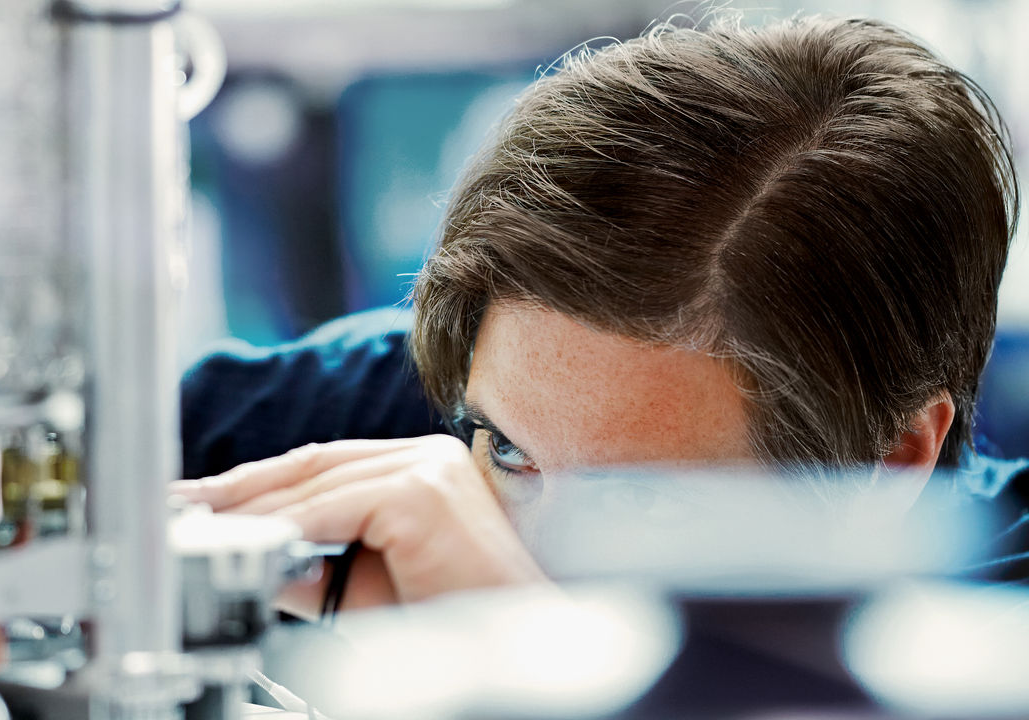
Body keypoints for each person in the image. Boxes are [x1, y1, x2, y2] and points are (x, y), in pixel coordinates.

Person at [175, 13, 1029, 617]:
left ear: (889, 463)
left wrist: (518, 658)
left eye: (642, 504)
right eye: (508, 453)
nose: (513, 546)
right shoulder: (440, 419)